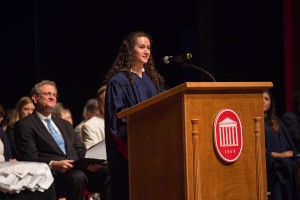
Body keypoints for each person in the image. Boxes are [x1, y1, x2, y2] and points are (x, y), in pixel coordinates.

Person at [13, 80, 110, 200]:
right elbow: (29, 157)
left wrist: (89, 162)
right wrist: (53, 164)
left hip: (78, 168)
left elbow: (78, 149)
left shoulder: (64, 124)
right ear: (35, 98)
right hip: (53, 174)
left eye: (54, 94)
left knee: (110, 171)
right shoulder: (25, 125)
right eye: (47, 93)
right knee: (77, 177)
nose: (52, 97)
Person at [103, 31, 165, 200]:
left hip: (156, 149)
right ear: (130, 50)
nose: (146, 51)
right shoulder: (118, 81)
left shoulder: (154, 80)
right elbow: (117, 119)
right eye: (141, 47)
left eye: (149, 48)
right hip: (129, 154)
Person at [263, 89, 298, 200]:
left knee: (291, 163)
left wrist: (285, 155)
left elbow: (288, 146)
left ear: (271, 102)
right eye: (260, 98)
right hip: (267, 159)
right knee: (280, 165)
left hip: (280, 159)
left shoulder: (276, 122)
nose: (263, 101)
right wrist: (279, 155)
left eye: (266, 99)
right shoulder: (253, 122)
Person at [82, 85, 106, 150]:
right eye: (106, 100)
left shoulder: (123, 119)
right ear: (99, 104)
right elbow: (96, 155)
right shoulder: (90, 126)